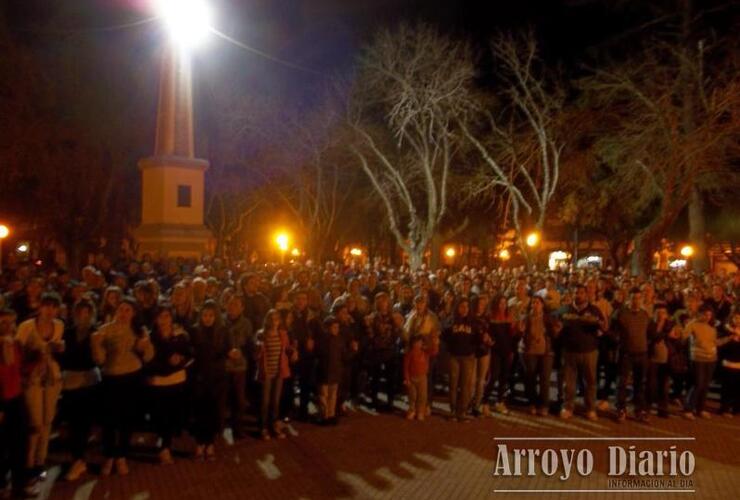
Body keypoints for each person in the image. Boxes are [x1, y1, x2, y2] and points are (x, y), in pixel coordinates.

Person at [91, 297, 154, 476]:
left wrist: (145, 346)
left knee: (127, 419)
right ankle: (109, 455)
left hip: (132, 378)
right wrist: (96, 344)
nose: (124, 313)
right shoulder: (105, 330)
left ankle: (122, 456)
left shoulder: (139, 330)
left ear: (133, 313)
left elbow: (148, 356)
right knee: (109, 420)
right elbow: (99, 360)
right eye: (121, 309)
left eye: (128, 310)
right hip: (111, 378)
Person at [15, 292, 65, 483]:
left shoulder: (59, 325)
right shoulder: (27, 327)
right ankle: (27, 464)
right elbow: (18, 353)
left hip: (51, 377)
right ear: (40, 307)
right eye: (47, 306)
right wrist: (35, 354)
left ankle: (39, 463)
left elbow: (58, 349)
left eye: (54, 307)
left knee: (47, 421)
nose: (50, 310)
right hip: (32, 378)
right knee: (34, 423)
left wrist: (59, 347)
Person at [59, 299, 101, 481]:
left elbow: (98, 359)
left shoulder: (96, 333)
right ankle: (77, 457)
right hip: (70, 381)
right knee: (72, 422)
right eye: (80, 312)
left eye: (87, 313)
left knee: (83, 423)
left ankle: (79, 459)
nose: (83, 316)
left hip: (89, 381)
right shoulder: (67, 333)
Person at [146, 305, 193, 465]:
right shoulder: (151, 337)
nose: (164, 320)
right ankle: (163, 442)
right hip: (158, 381)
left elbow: (189, 354)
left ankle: (165, 446)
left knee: (172, 414)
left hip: (176, 379)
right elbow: (148, 360)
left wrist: (181, 359)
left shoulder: (180, 335)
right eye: (161, 317)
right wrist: (165, 364)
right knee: (159, 415)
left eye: (167, 316)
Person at [189, 300, 234, 460]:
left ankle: (210, 443)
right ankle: (200, 443)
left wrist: (232, 353)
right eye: (205, 315)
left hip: (217, 376)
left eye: (211, 315)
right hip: (200, 377)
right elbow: (191, 351)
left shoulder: (223, 330)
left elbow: (229, 348)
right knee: (201, 410)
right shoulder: (195, 331)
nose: (207, 318)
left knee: (214, 410)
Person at [559, 285, 605, 421]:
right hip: (570, 351)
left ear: (586, 295)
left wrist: (599, 327)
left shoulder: (594, 310)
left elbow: (603, 327)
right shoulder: (566, 309)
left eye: (581, 293)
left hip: (589, 351)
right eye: (576, 292)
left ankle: (590, 408)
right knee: (569, 383)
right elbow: (556, 323)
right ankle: (568, 407)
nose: (578, 295)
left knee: (590, 381)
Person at [0, 308, 31, 497]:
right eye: (3, 322)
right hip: (2, 401)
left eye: (11, 322)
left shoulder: (17, 344)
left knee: (20, 444)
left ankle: (19, 485)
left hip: (17, 398)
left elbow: (21, 369)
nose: (9, 326)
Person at [613, 288, 651, 423]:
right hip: (626, 354)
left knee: (640, 384)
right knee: (622, 383)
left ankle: (639, 409)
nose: (636, 301)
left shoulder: (645, 314)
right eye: (634, 298)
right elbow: (613, 330)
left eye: (639, 298)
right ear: (629, 299)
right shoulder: (621, 313)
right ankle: (620, 409)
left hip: (642, 353)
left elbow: (649, 331)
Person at [683, 305, 728, 420]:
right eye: (705, 314)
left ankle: (700, 409)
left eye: (709, 315)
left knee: (705, 385)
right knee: (698, 384)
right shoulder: (693, 324)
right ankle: (688, 408)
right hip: (698, 358)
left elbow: (715, 342)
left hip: (711, 359)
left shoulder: (711, 327)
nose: (707, 317)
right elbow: (684, 335)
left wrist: (729, 338)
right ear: (700, 314)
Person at [255, 309, 294, 440]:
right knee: (265, 401)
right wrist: (258, 348)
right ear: (267, 320)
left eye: (277, 319)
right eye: (272, 319)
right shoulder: (262, 334)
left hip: (279, 371)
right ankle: (263, 427)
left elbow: (287, 349)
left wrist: (293, 350)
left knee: (275, 401)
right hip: (267, 371)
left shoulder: (282, 334)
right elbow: (256, 355)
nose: (274, 321)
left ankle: (274, 425)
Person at [520, 296, 559, 416]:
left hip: (546, 352)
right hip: (530, 351)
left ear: (542, 305)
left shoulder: (548, 318)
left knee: (544, 380)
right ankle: (532, 403)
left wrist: (555, 331)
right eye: (533, 303)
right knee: (531, 379)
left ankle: (544, 405)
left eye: (537, 303)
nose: (535, 305)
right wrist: (521, 332)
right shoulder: (526, 318)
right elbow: (521, 333)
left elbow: (555, 333)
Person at [365, 292, 403, 413]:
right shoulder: (372, 317)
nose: (382, 303)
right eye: (379, 301)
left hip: (390, 350)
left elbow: (397, 332)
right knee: (375, 377)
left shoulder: (393, 317)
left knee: (390, 378)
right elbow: (369, 333)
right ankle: (374, 400)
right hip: (376, 350)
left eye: (384, 300)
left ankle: (390, 401)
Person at [316, 316, 357, 424]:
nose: (336, 329)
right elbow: (318, 355)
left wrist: (353, 351)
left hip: (335, 371)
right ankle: (324, 415)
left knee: (333, 395)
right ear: (328, 328)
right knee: (323, 395)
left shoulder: (339, 340)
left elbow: (344, 356)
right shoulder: (322, 340)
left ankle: (331, 414)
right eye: (334, 327)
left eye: (337, 327)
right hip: (324, 371)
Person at [223, 295, 253, 439]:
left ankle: (238, 429)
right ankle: (219, 428)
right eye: (230, 304)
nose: (232, 308)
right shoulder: (222, 322)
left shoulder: (246, 324)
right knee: (222, 399)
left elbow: (249, 344)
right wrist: (227, 351)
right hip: (225, 366)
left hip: (240, 367)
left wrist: (242, 352)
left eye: (236, 305)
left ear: (242, 308)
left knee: (239, 399)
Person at [443, 297, 477, 422]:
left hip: (468, 356)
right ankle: (452, 410)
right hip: (454, 356)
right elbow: (444, 334)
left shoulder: (473, 322)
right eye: (462, 306)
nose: (464, 309)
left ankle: (462, 411)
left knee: (465, 385)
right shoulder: (451, 320)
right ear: (457, 308)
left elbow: (477, 337)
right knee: (453, 383)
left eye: (466, 307)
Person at [487, 296, 515, 415]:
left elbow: (512, 335)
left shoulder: (509, 317)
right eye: (500, 303)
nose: (502, 305)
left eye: (504, 303)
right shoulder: (491, 317)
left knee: (504, 377)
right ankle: (484, 401)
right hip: (495, 351)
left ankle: (500, 401)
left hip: (506, 350)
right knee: (493, 376)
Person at [646, 304, 674, 418]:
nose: (661, 314)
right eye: (659, 312)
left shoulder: (671, 324)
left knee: (664, 386)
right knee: (651, 385)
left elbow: (676, 338)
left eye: (663, 312)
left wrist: (666, 333)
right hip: (652, 358)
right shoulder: (650, 324)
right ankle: (647, 407)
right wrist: (665, 332)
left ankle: (663, 409)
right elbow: (653, 336)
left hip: (666, 359)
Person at [403, 334, 438, 421]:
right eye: (416, 343)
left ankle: (420, 412)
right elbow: (406, 367)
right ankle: (412, 410)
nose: (418, 344)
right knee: (412, 396)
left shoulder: (425, 352)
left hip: (422, 378)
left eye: (419, 342)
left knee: (422, 396)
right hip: (412, 378)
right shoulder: (410, 354)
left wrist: (435, 342)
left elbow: (434, 351)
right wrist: (407, 378)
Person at [470, 294, 493, 417]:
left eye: (484, 304)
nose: (482, 306)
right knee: (472, 380)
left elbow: (491, 332)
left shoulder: (487, 318)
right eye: (480, 303)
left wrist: (489, 339)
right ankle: (467, 402)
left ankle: (476, 405)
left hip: (484, 350)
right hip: (473, 350)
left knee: (481, 380)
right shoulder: (470, 318)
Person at [719, 311, 740, 417]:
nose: (738, 320)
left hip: (739, 365)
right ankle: (724, 408)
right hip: (728, 363)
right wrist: (731, 336)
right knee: (727, 388)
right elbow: (720, 345)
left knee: (738, 388)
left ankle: (737, 409)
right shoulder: (727, 332)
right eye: (736, 318)